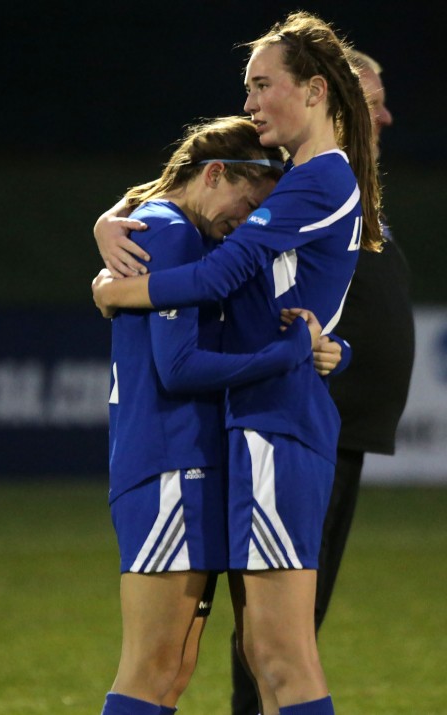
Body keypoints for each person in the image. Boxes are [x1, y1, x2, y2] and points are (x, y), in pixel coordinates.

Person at [91, 12, 381, 715]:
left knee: (279, 659)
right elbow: (189, 193)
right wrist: (112, 215)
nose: (249, 103)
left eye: (260, 85)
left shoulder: (316, 181)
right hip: (259, 426)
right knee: (256, 655)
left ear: (314, 91)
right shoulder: (299, 180)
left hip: (275, 427)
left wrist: (115, 288)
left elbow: (221, 275)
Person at [95, 115, 322, 715]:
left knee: (172, 669)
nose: (243, 226)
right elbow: (178, 369)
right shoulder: (171, 231)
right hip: (170, 463)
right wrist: (286, 357)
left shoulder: (182, 229)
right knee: (153, 667)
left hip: (188, 464)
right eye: (246, 205)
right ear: (215, 172)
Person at [227, 47, 415, 715]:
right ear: (323, 98)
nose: (385, 115)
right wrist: (113, 229)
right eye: (371, 101)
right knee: (279, 639)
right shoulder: (293, 179)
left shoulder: (344, 182)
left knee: (289, 633)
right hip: (302, 425)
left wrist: (339, 346)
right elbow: (190, 196)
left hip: (338, 428)